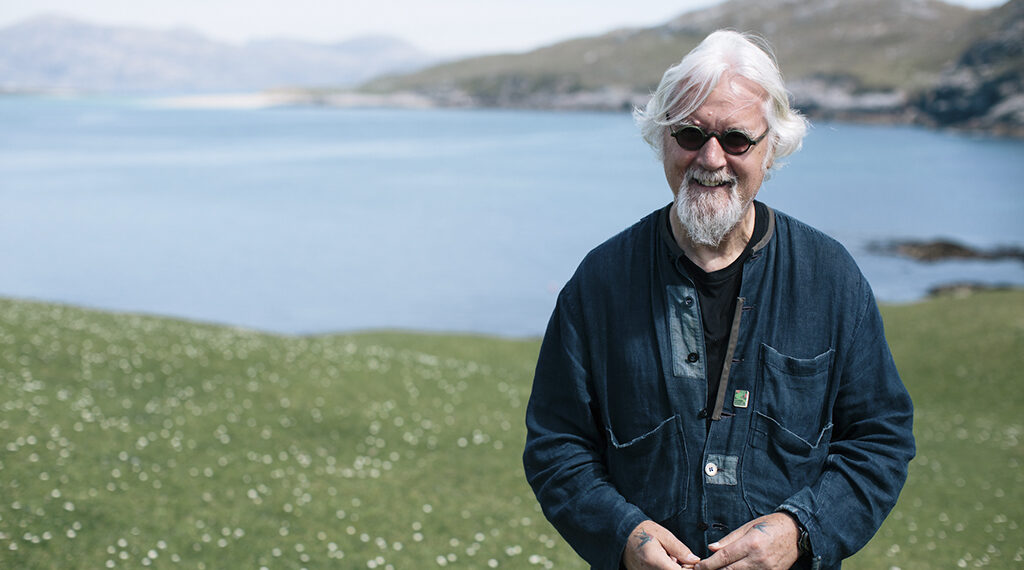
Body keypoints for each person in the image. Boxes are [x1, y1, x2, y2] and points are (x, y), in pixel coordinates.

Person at [522, 30, 915, 570]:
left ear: (771, 147)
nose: (711, 158)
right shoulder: (599, 283)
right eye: (689, 133)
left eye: (736, 139)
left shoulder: (832, 279)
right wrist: (624, 536)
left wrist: (801, 530)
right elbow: (556, 446)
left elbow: (880, 441)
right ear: (661, 138)